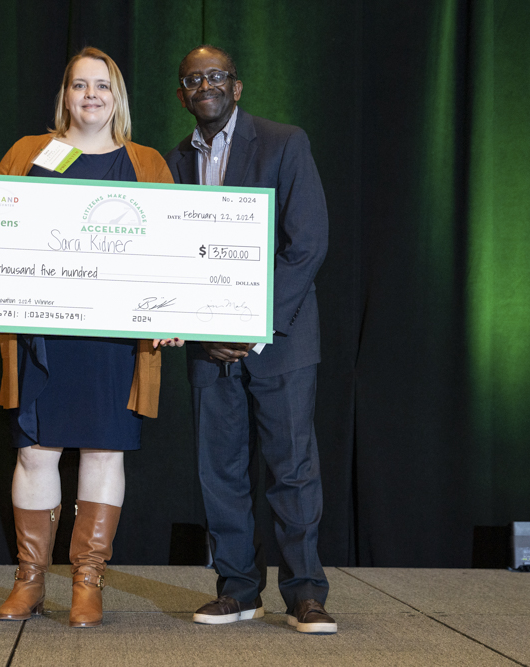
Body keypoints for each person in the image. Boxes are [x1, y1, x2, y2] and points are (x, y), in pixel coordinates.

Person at [0, 47, 180, 628]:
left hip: (114, 339)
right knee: (36, 451)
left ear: (117, 96)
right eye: (80, 86)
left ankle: (87, 583)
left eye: (102, 85)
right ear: (65, 95)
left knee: (103, 451)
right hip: (42, 335)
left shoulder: (145, 162)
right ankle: (29, 581)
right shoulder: (30, 154)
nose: (91, 96)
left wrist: (174, 312)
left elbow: (173, 253)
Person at [164, 45, 336, 634]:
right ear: (182, 95)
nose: (204, 84)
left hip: (278, 342)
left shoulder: (285, 142)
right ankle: (238, 590)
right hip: (208, 350)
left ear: (236, 87)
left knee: (292, 471)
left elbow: (307, 242)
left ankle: (306, 593)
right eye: (193, 79)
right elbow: (172, 255)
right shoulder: (173, 161)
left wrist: (252, 323)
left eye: (215, 76)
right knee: (221, 473)